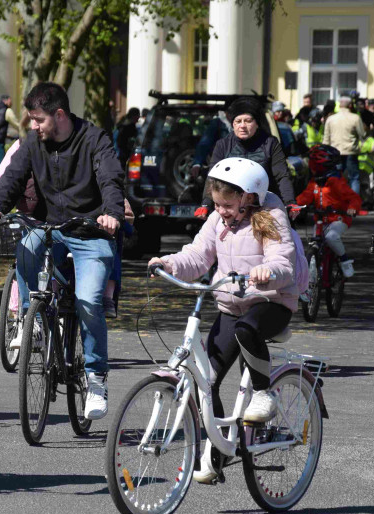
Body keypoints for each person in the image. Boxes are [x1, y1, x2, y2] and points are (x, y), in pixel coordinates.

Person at [149, 158, 300, 484]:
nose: (222, 211)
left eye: (228, 204)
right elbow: (197, 255)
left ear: (250, 197)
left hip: (271, 301)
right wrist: (170, 263)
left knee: (248, 329)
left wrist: (268, 271)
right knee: (207, 379)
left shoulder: (268, 218)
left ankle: (264, 393)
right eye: (217, 204)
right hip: (232, 304)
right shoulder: (218, 220)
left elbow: (282, 259)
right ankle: (216, 456)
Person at [0, 82, 123, 420]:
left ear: (59, 115)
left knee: (89, 300)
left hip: (90, 231)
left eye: (38, 119)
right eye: (31, 119)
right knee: (26, 245)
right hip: (48, 229)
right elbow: (13, 177)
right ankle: (36, 317)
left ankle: (95, 377)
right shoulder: (33, 143)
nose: (33, 126)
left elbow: (111, 179)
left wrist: (112, 214)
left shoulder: (94, 139)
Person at [194, 96, 295, 217]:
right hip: (230, 209)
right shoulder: (223, 145)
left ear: (257, 123)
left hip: (264, 208)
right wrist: (206, 205)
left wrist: (290, 203)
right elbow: (213, 178)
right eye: (238, 121)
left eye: (248, 121)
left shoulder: (271, 143)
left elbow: (282, 176)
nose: (242, 125)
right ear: (233, 124)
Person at [294, 144, 361, 277]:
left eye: (313, 165)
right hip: (320, 220)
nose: (311, 168)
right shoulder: (315, 182)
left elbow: (354, 198)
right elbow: (305, 197)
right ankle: (315, 273)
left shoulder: (336, 182)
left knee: (332, 237)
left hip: (338, 219)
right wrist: (294, 205)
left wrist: (352, 208)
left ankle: (344, 260)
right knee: (314, 242)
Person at [322, 95, 367, 195]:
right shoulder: (355, 118)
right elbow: (362, 135)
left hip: (335, 152)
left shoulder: (331, 119)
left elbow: (326, 139)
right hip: (351, 151)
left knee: (336, 178)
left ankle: (336, 204)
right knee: (354, 178)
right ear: (350, 105)